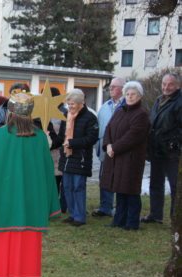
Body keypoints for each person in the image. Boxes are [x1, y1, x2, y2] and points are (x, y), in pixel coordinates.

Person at [0, 92, 60, 277]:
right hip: (30, 205)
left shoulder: (1, 136)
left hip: (4, 206)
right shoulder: (40, 137)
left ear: (11, 113)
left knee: (1, 244)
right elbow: (47, 173)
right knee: (26, 245)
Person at [100, 81, 150, 231]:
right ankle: (119, 220)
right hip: (116, 156)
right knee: (120, 189)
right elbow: (108, 128)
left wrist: (114, 147)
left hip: (131, 158)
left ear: (139, 96)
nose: (130, 96)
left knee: (131, 190)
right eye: (127, 94)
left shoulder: (141, 114)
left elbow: (133, 136)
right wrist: (108, 145)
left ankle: (132, 222)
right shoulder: (120, 110)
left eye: (133, 94)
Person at [141, 73, 182, 224]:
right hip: (157, 150)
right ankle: (155, 214)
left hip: (173, 152)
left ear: (178, 85)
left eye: (170, 84)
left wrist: (174, 143)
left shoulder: (179, 102)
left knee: (176, 188)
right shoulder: (159, 100)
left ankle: (175, 218)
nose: (166, 87)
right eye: (164, 84)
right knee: (156, 183)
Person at [58, 89, 98, 227]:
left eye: (73, 104)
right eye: (68, 104)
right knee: (67, 187)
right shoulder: (66, 116)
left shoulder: (90, 118)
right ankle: (72, 214)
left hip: (81, 158)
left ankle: (80, 217)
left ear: (81, 103)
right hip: (67, 158)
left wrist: (73, 143)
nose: (70, 107)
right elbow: (61, 136)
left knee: (78, 187)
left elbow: (91, 138)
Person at [93, 77, 126, 218]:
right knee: (104, 178)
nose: (111, 89)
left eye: (114, 87)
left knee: (120, 179)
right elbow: (99, 128)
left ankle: (120, 208)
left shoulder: (127, 106)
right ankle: (105, 206)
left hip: (121, 150)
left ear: (123, 89)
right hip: (105, 150)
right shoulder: (105, 106)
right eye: (110, 87)